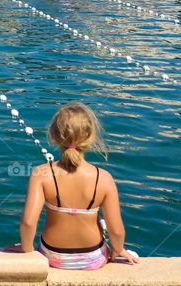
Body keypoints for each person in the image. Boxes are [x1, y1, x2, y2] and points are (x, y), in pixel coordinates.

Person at [13, 103, 137, 269]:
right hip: (93, 257)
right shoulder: (104, 178)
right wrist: (117, 250)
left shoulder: (41, 174)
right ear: (90, 137)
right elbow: (117, 231)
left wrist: (27, 250)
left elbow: (28, 223)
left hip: (52, 255)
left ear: (54, 135)